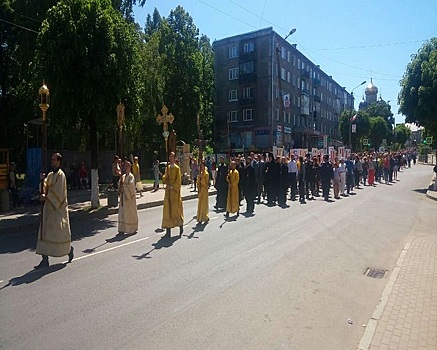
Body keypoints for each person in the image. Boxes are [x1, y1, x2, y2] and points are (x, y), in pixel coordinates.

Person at [34, 153, 74, 269]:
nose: (52, 161)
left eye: (54, 160)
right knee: (45, 232)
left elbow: (59, 193)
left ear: (58, 162)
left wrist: (45, 196)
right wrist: (42, 181)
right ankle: (44, 259)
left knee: (59, 234)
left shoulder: (61, 176)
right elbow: (45, 187)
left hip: (58, 210)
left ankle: (69, 249)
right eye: (51, 159)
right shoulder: (50, 175)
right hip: (48, 209)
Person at [162, 152, 184, 238]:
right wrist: (165, 177)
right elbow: (165, 177)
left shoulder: (177, 168)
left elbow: (178, 181)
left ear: (174, 158)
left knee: (175, 210)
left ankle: (180, 225)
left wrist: (173, 187)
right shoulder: (167, 168)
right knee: (168, 210)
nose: (170, 158)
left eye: (172, 156)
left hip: (174, 193)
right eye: (170, 156)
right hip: (168, 192)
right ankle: (168, 230)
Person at [118, 161, 138, 234]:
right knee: (122, 213)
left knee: (129, 213)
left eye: (127, 166)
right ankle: (122, 228)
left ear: (130, 167)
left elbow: (131, 186)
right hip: (123, 197)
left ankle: (132, 228)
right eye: (125, 166)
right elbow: (119, 184)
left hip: (129, 198)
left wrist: (124, 187)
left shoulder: (131, 176)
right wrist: (120, 185)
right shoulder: (123, 176)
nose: (125, 168)